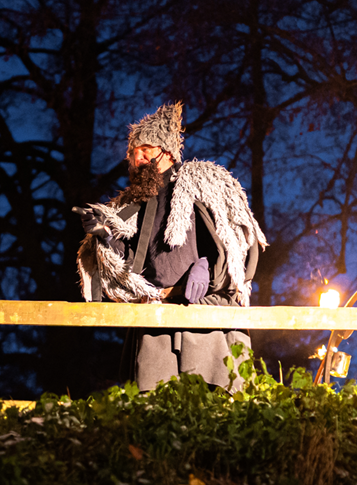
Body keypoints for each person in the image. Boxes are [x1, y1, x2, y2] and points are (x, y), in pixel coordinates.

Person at [76, 102, 267, 391]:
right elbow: (126, 267)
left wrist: (209, 267)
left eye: (145, 150)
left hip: (203, 310)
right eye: (133, 153)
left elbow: (236, 234)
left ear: (165, 152)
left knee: (210, 394)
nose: (137, 159)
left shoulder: (201, 181)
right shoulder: (131, 205)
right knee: (154, 400)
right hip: (155, 318)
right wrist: (104, 236)